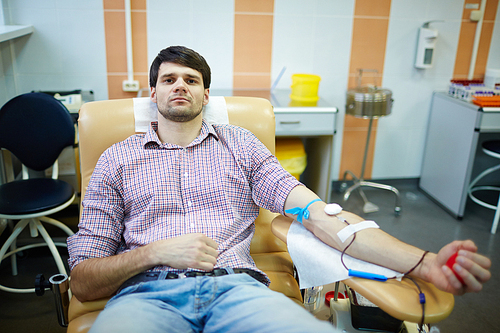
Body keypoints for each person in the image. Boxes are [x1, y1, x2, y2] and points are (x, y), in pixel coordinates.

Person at [67, 46, 491, 333]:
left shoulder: (240, 146)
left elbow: (325, 217)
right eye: (169, 79)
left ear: (206, 94)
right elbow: (84, 282)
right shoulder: (116, 160)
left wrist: (425, 263)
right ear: (153, 92)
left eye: (191, 80)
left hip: (235, 290)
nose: (180, 86)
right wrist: (154, 253)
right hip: (146, 296)